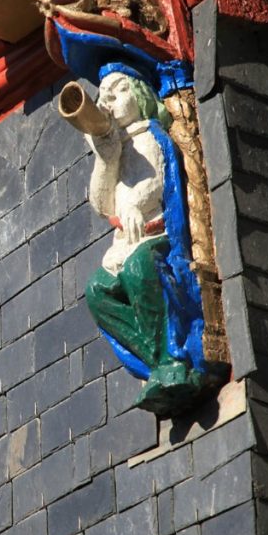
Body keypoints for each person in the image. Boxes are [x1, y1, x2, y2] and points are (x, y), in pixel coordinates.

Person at [83, 67, 203, 412]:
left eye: (118, 92)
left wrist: (135, 205)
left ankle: (172, 360)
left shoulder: (148, 135)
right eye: (103, 98)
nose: (109, 103)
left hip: (159, 234)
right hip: (125, 241)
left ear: (139, 95)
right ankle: (159, 358)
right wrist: (106, 160)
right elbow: (100, 202)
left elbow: (157, 178)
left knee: (139, 269)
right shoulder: (114, 146)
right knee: (98, 291)